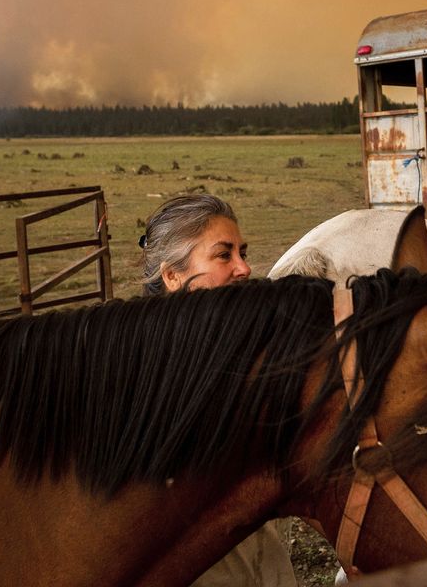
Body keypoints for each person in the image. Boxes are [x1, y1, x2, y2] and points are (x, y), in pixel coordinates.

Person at [139, 194, 298, 587]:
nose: (245, 268)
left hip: (262, 554)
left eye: (242, 252)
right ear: (172, 276)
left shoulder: (241, 350)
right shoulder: (143, 369)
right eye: (224, 255)